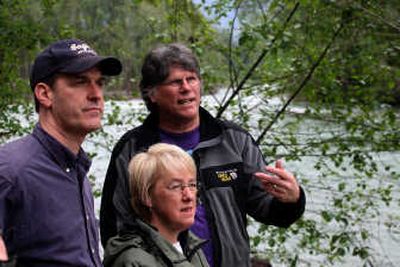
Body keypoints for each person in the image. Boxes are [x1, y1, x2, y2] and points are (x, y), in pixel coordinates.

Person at [100, 43, 305, 267]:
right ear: (152, 93)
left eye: (192, 79)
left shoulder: (233, 141)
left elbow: (267, 209)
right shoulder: (133, 149)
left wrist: (291, 200)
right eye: (176, 82)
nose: (186, 88)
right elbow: (116, 230)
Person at [0, 38, 122, 266]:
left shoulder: (76, 169)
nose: (96, 94)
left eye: (100, 82)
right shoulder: (11, 170)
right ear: (45, 94)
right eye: (80, 82)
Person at [103, 143, 209, 267]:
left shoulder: (193, 249)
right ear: (147, 196)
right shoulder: (133, 261)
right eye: (175, 187)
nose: (189, 196)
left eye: (192, 185)